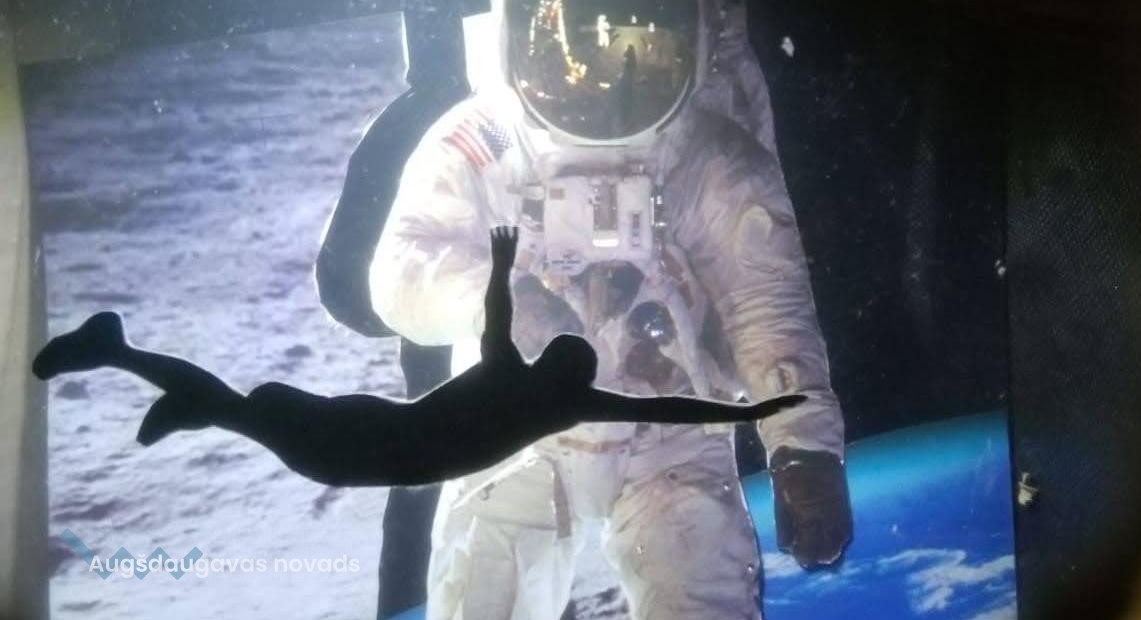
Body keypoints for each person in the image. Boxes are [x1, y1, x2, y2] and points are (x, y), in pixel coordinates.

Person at [367, 0, 852, 620]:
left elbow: (766, 305)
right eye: (572, 45)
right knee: (483, 595)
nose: (600, 75)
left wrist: (802, 447)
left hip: (670, 434)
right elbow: (402, 267)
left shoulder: (708, 160)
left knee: (702, 599)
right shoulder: (489, 139)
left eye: (637, 46)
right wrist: (497, 304)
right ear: (516, 33)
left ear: (692, 40)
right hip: (518, 425)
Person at [30, 227, 801, 488]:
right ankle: (133, 363)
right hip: (368, 447)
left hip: (366, 445)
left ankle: (135, 363)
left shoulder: (529, 384)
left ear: (557, 365)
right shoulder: (557, 399)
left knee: (248, 408)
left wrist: (504, 264)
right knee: (248, 409)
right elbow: (666, 407)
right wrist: (747, 412)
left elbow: (662, 405)